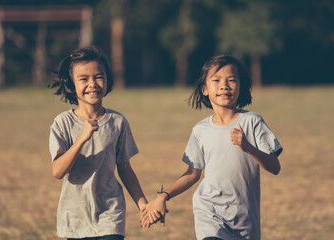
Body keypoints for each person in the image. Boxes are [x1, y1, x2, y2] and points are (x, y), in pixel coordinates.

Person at [140, 54, 283, 240]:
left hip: (245, 221)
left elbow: (275, 167)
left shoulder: (252, 122)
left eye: (231, 80)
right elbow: (192, 173)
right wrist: (163, 196)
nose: (224, 85)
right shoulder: (200, 130)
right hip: (209, 213)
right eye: (216, 80)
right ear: (204, 89)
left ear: (241, 86)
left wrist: (248, 148)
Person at [48, 45, 148, 240]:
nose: (93, 83)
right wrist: (82, 138)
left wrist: (142, 204)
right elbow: (57, 171)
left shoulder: (118, 122)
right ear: (71, 83)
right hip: (75, 217)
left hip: (111, 214)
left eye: (99, 76)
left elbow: (125, 168)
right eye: (84, 79)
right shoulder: (63, 123)